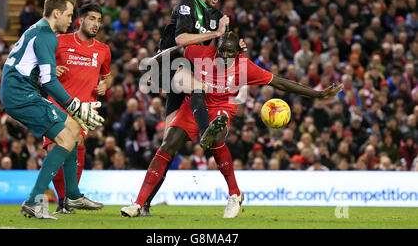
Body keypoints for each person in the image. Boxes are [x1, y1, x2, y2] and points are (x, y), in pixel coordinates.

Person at [121, 31, 342, 219]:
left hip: (222, 106)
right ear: (216, 47)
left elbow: (281, 82)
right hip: (194, 104)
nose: (225, 56)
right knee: (167, 145)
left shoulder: (245, 67)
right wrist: (153, 63)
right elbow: (176, 51)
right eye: (222, 51)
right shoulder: (200, 53)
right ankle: (138, 204)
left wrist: (317, 93)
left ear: (238, 53)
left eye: (230, 53)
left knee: (217, 135)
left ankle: (233, 193)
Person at [140, 0, 245, 215]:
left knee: (169, 143)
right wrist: (215, 33)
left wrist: (235, 45)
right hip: (171, 65)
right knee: (170, 139)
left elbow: (222, 53)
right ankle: (205, 132)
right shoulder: (188, 2)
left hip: (194, 73)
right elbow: (181, 40)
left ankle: (142, 203)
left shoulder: (220, 18)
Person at [0, 0, 104, 220]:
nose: (71, 20)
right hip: (20, 95)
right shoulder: (47, 36)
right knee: (66, 138)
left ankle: (73, 194)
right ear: (56, 13)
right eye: (68, 15)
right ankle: (34, 201)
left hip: (18, 91)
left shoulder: (39, 30)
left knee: (74, 131)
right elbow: (48, 81)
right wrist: (74, 105)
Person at [42, 3, 112, 214]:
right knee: (55, 149)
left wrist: (105, 85)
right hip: (56, 105)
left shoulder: (103, 50)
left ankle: (67, 200)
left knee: (76, 144)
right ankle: (65, 199)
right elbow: (41, 68)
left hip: (83, 110)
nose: (96, 24)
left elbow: (107, 76)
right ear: (80, 20)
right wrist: (53, 69)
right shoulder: (59, 41)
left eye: (99, 20)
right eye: (91, 19)